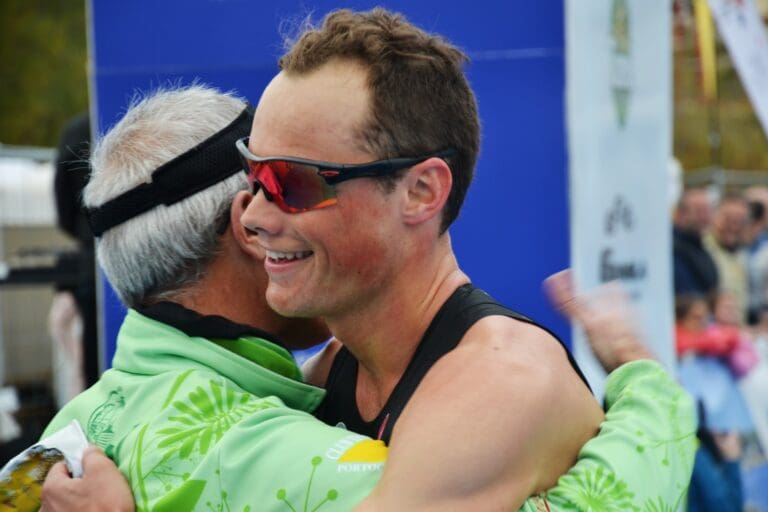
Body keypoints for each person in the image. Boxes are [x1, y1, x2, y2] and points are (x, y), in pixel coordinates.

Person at [39, 85, 696, 511]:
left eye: (291, 184)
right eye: (278, 184)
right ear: (247, 225)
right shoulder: (253, 450)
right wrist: (651, 394)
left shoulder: (78, 423)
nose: (278, 212)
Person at [704, 194, 750, 324]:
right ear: (713, 217)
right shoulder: (704, 250)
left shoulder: (744, 252)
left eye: (739, 221)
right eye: (727, 219)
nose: (733, 226)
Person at [672, 187, 718, 298]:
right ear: (679, 214)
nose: (705, 217)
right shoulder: (672, 250)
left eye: (708, 211)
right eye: (699, 211)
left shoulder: (700, 244)